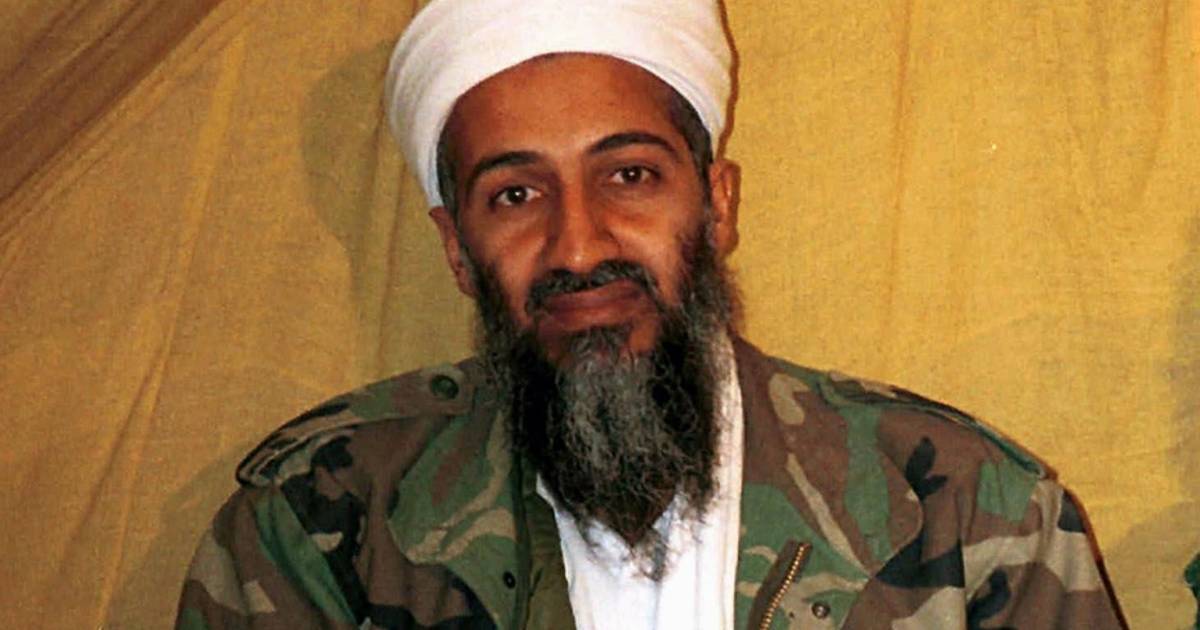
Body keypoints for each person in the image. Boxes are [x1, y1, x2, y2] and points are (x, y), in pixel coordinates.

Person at [176, 1, 1126, 628]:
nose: (578, 245)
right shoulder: (320, 530)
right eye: (515, 195)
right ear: (456, 248)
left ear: (717, 205)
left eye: (629, 176)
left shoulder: (968, 514)